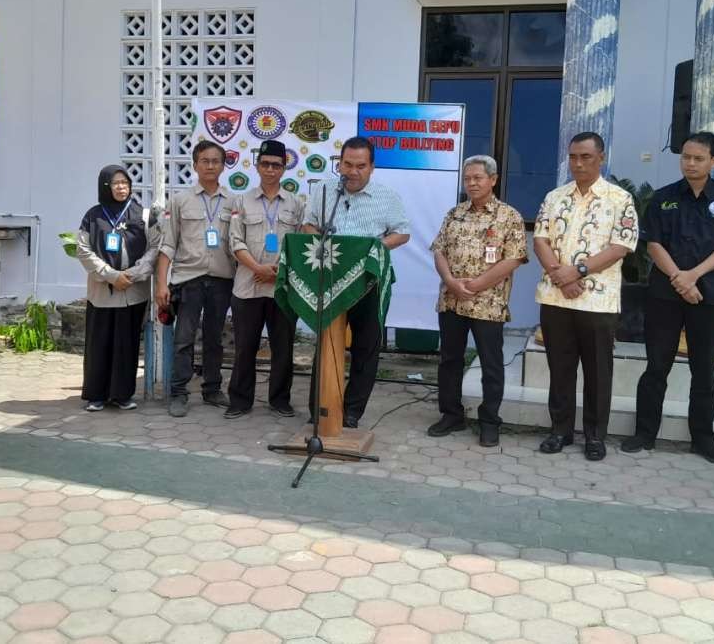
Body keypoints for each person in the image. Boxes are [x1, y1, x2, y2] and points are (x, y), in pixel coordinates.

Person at [622, 132, 714, 465]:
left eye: (698, 158)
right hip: (665, 295)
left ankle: (703, 439)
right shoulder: (665, 197)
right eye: (686, 158)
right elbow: (653, 245)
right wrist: (680, 279)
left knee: (704, 371)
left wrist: (692, 276)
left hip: (708, 296)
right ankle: (644, 434)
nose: (690, 163)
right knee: (656, 367)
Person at [532, 133, 637, 461]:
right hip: (556, 298)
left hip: (598, 302)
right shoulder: (554, 196)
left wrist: (575, 272)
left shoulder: (619, 198)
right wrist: (558, 275)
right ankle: (560, 430)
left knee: (597, 371)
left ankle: (594, 436)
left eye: (586, 157)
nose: (578, 163)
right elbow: (540, 238)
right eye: (574, 156)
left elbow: (621, 246)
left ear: (601, 158)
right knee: (560, 369)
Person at [302, 136, 410, 428]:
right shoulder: (325, 191)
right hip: (331, 280)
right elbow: (309, 223)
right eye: (347, 164)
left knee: (366, 347)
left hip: (368, 282)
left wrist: (375, 250)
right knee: (326, 343)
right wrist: (318, 242)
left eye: (360, 166)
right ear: (339, 163)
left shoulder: (387, 196)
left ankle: (351, 411)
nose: (352, 171)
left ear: (372, 167)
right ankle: (321, 408)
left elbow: (402, 232)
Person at [427, 155, 527, 447]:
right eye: (467, 178)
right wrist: (451, 282)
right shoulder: (454, 214)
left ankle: (489, 421)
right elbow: (439, 251)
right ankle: (451, 415)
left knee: (491, 364)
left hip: (489, 303)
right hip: (451, 301)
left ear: (493, 180)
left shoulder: (509, 216)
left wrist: (477, 285)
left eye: (477, 178)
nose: (471, 183)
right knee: (450, 360)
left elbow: (514, 258)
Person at [225, 140, 304, 419]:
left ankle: (280, 399)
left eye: (277, 165)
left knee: (283, 348)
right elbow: (234, 241)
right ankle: (240, 400)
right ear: (258, 166)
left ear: (284, 169)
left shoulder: (296, 204)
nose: (270, 169)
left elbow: (300, 244)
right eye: (266, 164)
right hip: (248, 285)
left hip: (282, 287)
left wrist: (278, 270)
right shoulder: (241, 201)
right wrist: (257, 267)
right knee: (245, 347)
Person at [155, 140, 235, 417]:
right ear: (195, 165)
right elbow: (167, 245)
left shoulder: (233, 202)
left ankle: (212, 389)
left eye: (216, 161)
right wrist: (162, 284)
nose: (210, 165)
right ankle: (179, 392)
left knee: (215, 339)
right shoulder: (180, 201)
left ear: (223, 166)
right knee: (184, 339)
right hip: (189, 279)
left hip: (222, 280)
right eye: (205, 160)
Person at [76, 166, 157, 411]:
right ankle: (97, 394)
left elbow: (155, 248)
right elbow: (83, 250)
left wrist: (132, 275)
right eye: (115, 183)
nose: (121, 187)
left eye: (125, 182)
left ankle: (122, 394)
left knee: (127, 344)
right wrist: (110, 275)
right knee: (99, 343)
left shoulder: (142, 214)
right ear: (105, 187)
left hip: (132, 292)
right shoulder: (93, 216)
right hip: (103, 292)